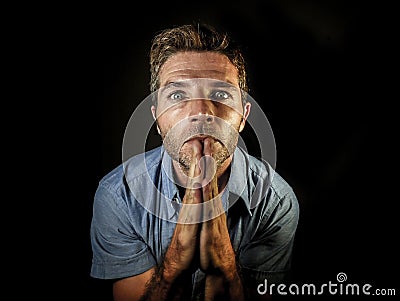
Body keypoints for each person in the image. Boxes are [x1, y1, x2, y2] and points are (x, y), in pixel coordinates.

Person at [90, 23, 300, 301]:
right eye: (177, 95)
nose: (201, 111)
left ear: (244, 116)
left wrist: (223, 268)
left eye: (221, 94)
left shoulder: (276, 202)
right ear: (156, 116)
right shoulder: (118, 195)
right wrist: (175, 263)